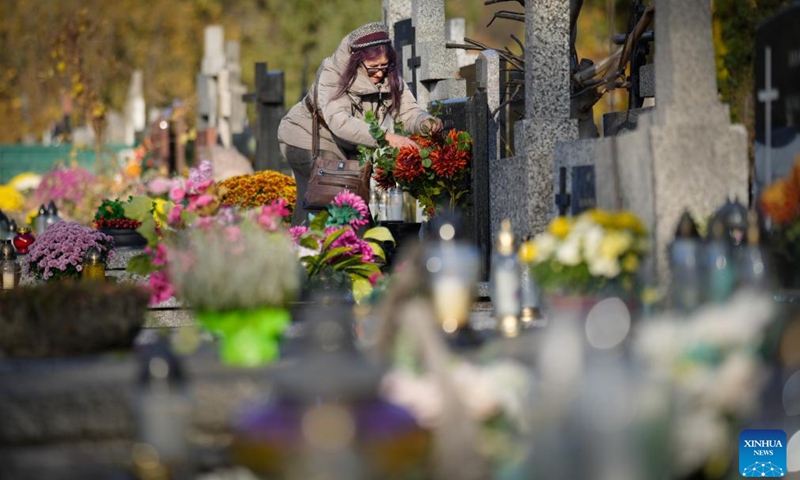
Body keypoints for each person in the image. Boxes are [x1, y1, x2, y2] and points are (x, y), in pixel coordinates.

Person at [278, 21, 442, 226]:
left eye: (385, 66)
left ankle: (358, 251)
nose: (381, 73)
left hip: (346, 146)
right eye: (373, 68)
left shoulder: (389, 74)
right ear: (356, 60)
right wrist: (388, 138)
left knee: (351, 207)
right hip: (308, 137)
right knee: (326, 204)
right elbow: (340, 122)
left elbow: (407, 111)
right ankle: (310, 253)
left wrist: (424, 122)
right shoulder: (332, 72)